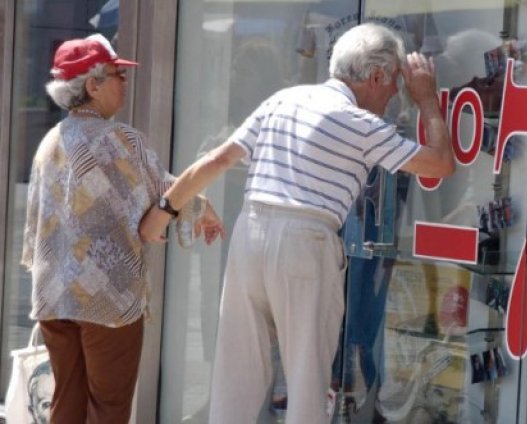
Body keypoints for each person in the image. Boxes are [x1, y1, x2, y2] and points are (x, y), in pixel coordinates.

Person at [139, 22, 454, 423]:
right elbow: (441, 163)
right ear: (375, 76)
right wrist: (427, 100)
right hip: (307, 240)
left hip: (251, 232)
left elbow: (217, 160)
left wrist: (165, 210)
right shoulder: (361, 124)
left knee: (236, 377)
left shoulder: (282, 99)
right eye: (394, 81)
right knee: (307, 380)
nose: (396, 92)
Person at [20, 33, 223, 423]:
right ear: (92, 85)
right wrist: (205, 208)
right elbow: (164, 190)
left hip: (53, 290)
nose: (124, 83)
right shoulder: (118, 138)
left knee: (67, 401)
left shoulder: (51, 139)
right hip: (106, 295)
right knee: (108, 408)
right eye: (117, 75)